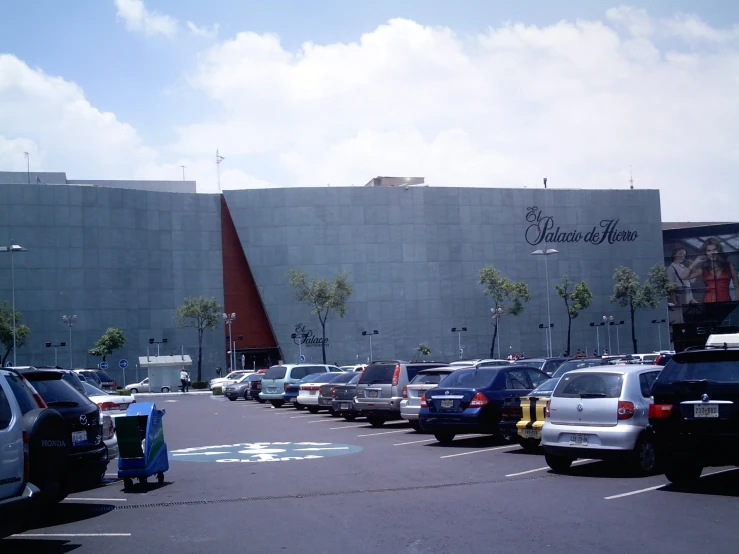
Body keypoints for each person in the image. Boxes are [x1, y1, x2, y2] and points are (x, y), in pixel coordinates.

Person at [685, 237, 739, 303]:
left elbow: (737, 286)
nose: (712, 253)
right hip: (708, 302)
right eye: (709, 251)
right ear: (706, 253)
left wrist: (736, 302)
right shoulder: (703, 269)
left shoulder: (729, 266)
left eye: (714, 250)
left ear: (719, 250)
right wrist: (695, 262)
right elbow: (684, 277)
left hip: (725, 301)